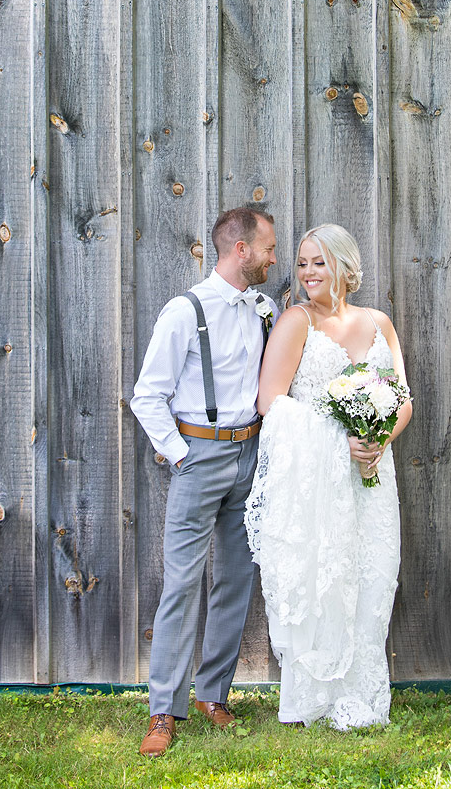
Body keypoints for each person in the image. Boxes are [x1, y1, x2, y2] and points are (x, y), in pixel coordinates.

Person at [244, 223, 412, 729]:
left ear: (343, 264)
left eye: (319, 262)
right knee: (326, 578)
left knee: (371, 575)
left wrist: (379, 439)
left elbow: (402, 399)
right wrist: (336, 441)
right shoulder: (296, 322)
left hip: (373, 477)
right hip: (319, 480)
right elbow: (270, 401)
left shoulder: (379, 323)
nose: (308, 272)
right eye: (301, 262)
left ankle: (362, 691)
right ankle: (314, 695)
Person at [131, 207, 279, 756]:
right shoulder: (184, 310)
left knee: (236, 581)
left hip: (251, 458)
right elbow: (147, 395)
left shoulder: (265, 308)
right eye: (267, 247)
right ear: (240, 250)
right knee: (181, 585)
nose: (272, 257)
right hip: (200, 458)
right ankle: (163, 710)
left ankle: (212, 695)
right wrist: (179, 455)